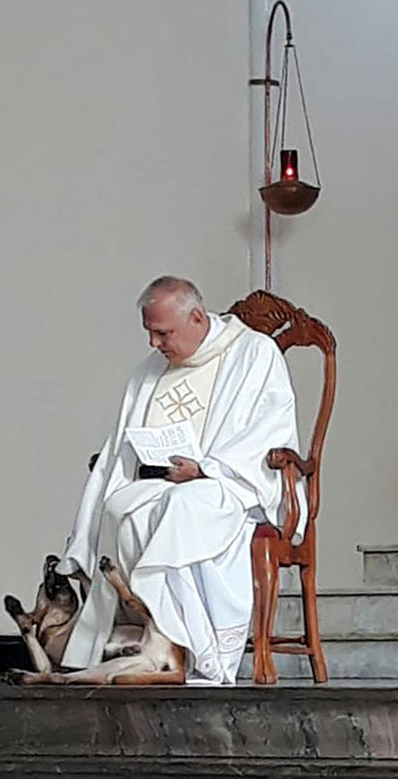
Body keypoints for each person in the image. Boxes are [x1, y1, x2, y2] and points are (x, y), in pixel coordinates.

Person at [55, 275, 304, 684]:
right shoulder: (151, 369)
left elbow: (269, 431)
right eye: (150, 333)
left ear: (196, 318)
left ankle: (193, 645)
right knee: (120, 507)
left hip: (229, 485)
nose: (155, 344)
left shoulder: (254, 354)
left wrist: (206, 469)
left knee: (182, 507)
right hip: (164, 482)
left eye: (162, 333)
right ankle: (153, 643)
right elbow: (121, 441)